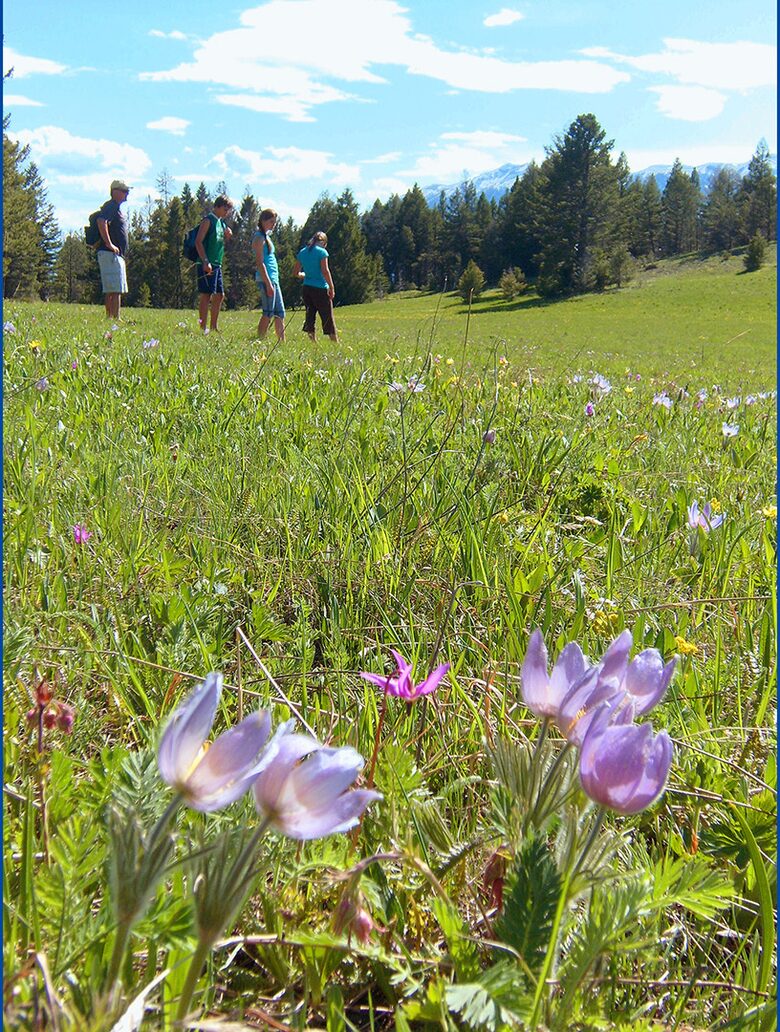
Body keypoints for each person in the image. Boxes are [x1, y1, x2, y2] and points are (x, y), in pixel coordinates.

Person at [195, 194, 234, 333]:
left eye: (228, 210)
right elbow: (198, 241)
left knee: (219, 295)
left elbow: (222, 241)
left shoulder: (221, 222)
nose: (227, 212)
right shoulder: (208, 220)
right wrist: (205, 261)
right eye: (225, 208)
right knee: (206, 295)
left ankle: (213, 326)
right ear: (217, 206)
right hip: (207, 263)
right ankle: (203, 327)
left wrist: (228, 234)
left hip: (217, 264)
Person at [293, 231, 338, 342]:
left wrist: (305, 275)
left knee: (310, 315)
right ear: (324, 243)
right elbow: (325, 271)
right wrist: (331, 287)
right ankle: (334, 342)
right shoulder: (322, 252)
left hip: (307, 288)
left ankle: (313, 341)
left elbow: (295, 272)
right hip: (321, 288)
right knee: (327, 316)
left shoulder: (303, 252)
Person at [96, 179, 131, 320]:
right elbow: (101, 221)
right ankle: (115, 318)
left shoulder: (114, 207)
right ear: (115, 192)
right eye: (124, 191)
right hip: (110, 253)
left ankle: (110, 317)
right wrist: (109, 244)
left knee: (113, 288)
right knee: (115, 289)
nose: (127, 194)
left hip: (113, 254)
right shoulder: (111, 206)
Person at [252, 208, 285, 341]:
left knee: (280, 313)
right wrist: (268, 283)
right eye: (271, 221)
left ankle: (282, 342)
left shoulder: (267, 237)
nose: (274, 224)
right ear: (263, 220)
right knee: (268, 312)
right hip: (267, 279)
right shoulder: (259, 238)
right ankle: (260, 339)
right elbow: (260, 262)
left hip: (273, 278)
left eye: (275, 222)